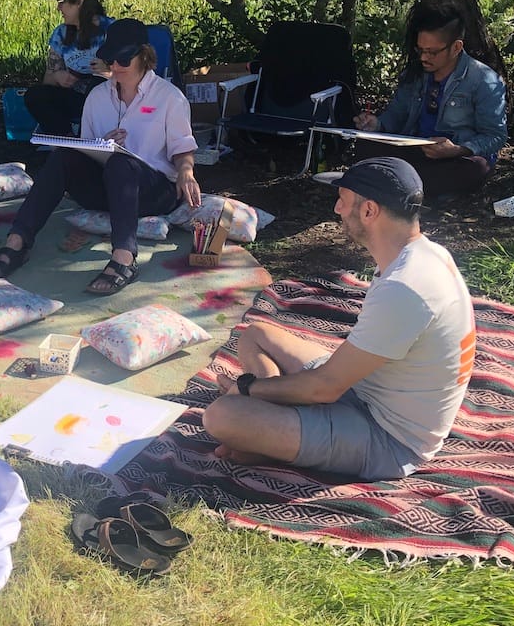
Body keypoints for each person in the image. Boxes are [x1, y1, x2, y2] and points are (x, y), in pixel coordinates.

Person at [203, 157, 475, 481]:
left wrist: (247, 389)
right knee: (256, 334)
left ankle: (266, 432)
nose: (337, 209)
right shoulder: (423, 254)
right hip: (363, 390)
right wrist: (260, 392)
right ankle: (272, 423)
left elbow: (325, 389)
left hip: (387, 438)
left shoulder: (405, 288)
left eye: (343, 200)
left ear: (369, 211)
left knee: (221, 416)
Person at [0, 18, 201, 295]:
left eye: (124, 60)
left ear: (144, 56)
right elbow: (85, 153)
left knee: (122, 163)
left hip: (154, 191)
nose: (116, 67)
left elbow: (183, 147)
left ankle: (124, 258)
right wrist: (102, 144)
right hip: (109, 189)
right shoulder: (97, 96)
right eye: (111, 60)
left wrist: (186, 172)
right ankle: (17, 242)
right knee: (64, 156)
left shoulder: (169, 97)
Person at [352, 0, 506, 196]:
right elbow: (397, 114)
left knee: (475, 168)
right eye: (421, 50)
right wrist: (377, 125)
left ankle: (400, 182)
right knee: (367, 145)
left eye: (432, 52)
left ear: (456, 47)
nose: (424, 57)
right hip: (415, 149)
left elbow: (495, 136)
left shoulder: (484, 80)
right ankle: (408, 183)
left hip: (456, 157)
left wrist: (458, 149)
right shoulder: (414, 74)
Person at [22, 0, 116, 136]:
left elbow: (136, 76)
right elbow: (48, 80)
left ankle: (87, 141)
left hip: (109, 101)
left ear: (79, 2)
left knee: (97, 84)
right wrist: (58, 77)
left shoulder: (113, 31)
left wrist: (109, 72)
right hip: (76, 98)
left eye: (62, 2)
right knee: (35, 95)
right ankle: (66, 140)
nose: (58, 8)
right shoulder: (61, 33)